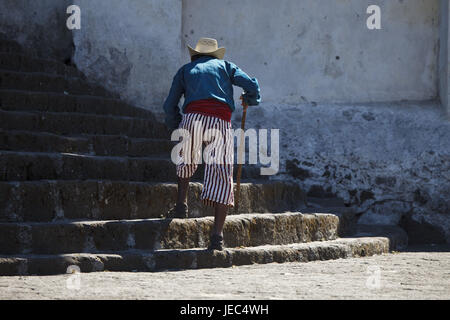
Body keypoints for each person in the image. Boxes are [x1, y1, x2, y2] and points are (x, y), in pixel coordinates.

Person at [163, 37, 260, 250]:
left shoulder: (185, 70)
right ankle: (217, 236)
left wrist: (176, 123)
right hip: (220, 121)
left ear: (195, 55)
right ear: (215, 54)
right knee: (222, 173)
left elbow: (170, 104)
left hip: (193, 118)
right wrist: (250, 98)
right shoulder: (226, 66)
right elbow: (251, 84)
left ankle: (181, 204)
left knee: (185, 159)